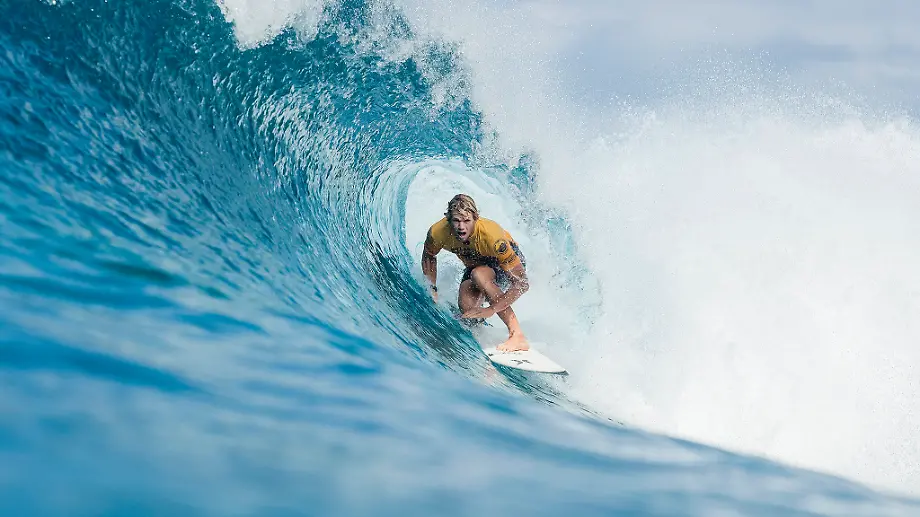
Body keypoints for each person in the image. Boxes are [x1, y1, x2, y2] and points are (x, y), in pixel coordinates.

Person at [421, 194, 530, 352]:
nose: (461, 227)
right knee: (467, 308)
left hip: (504, 264)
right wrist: (432, 288)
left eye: (466, 221)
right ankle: (482, 327)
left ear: (475, 218)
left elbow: (522, 283)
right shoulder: (438, 232)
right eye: (456, 221)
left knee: (479, 275)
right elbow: (429, 255)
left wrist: (492, 309)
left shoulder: (492, 237)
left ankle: (517, 335)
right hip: (476, 266)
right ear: (448, 219)